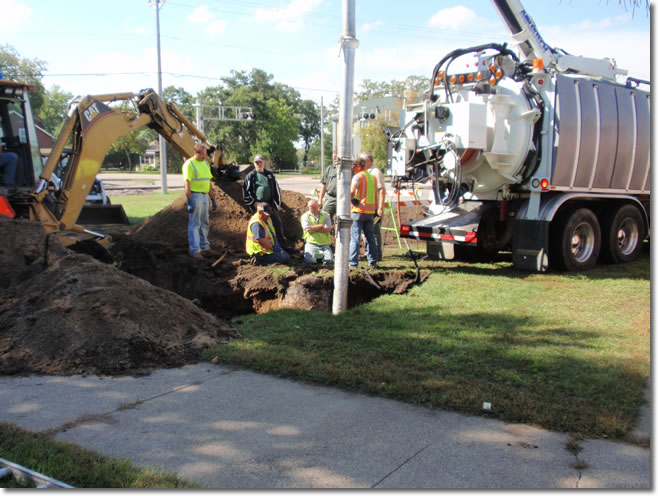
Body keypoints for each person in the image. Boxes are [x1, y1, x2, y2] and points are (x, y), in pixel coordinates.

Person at [242, 154, 287, 247]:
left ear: (264, 163)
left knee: (277, 223)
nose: (258, 164)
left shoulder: (270, 175)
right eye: (256, 162)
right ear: (254, 164)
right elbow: (246, 193)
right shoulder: (250, 176)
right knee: (262, 225)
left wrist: (278, 203)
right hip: (259, 205)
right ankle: (265, 246)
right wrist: (254, 203)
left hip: (270, 203)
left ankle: (282, 245)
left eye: (260, 162)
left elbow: (276, 189)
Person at [183, 143, 216, 258]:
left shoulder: (206, 164)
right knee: (195, 223)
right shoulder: (189, 164)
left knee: (204, 222)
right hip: (195, 196)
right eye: (202, 155)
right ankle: (195, 250)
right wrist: (190, 199)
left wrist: (212, 198)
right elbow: (187, 183)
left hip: (204, 196)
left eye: (205, 155)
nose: (204, 157)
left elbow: (208, 182)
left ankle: (204, 247)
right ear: (195, 153)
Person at [349, 158, 379, 268]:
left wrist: (350, 201)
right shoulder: (373, 178)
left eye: (353, 166)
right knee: (370, 238)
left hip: (359, 211)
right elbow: (375, 195)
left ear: (358, 166)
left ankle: (353, 263)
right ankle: (373, 262)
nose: (352, 168)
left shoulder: (357, 177)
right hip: (370, 212)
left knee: (355, 238)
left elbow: (352, 192)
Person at [357, 152, 385, 261]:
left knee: (374, 232)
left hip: (374, 209)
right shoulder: (363, 173)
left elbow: (381, 190)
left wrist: (380, 208)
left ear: (369, 161)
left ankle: (376, 255)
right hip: (364, 209)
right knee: (365, 233)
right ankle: (368, 252)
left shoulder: (375, 172)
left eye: (362, 160)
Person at [301, 198, 333, 265]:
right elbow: (308, 229)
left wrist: (313, 228)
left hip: (324, 244)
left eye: (314, 207)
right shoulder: (305, 216)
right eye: (311, 208)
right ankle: (317, 258)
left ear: (318, 206)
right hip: (311, 243)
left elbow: (328, 229)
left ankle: (321, 258)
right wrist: (321, 225)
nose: (313, 209)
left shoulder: (325, 215)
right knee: (309, 261)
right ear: (308, 207)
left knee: (329, 261)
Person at [318, 150, 338, 222]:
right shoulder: (329, 169)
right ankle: (328, 232)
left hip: (342, 200)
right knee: (324, 217)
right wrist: (320, 200)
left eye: (337, 154)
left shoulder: (347, 170)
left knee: (342, 220)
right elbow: (323, 185)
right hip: (330, 198)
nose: (335, 156)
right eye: (334, 154)